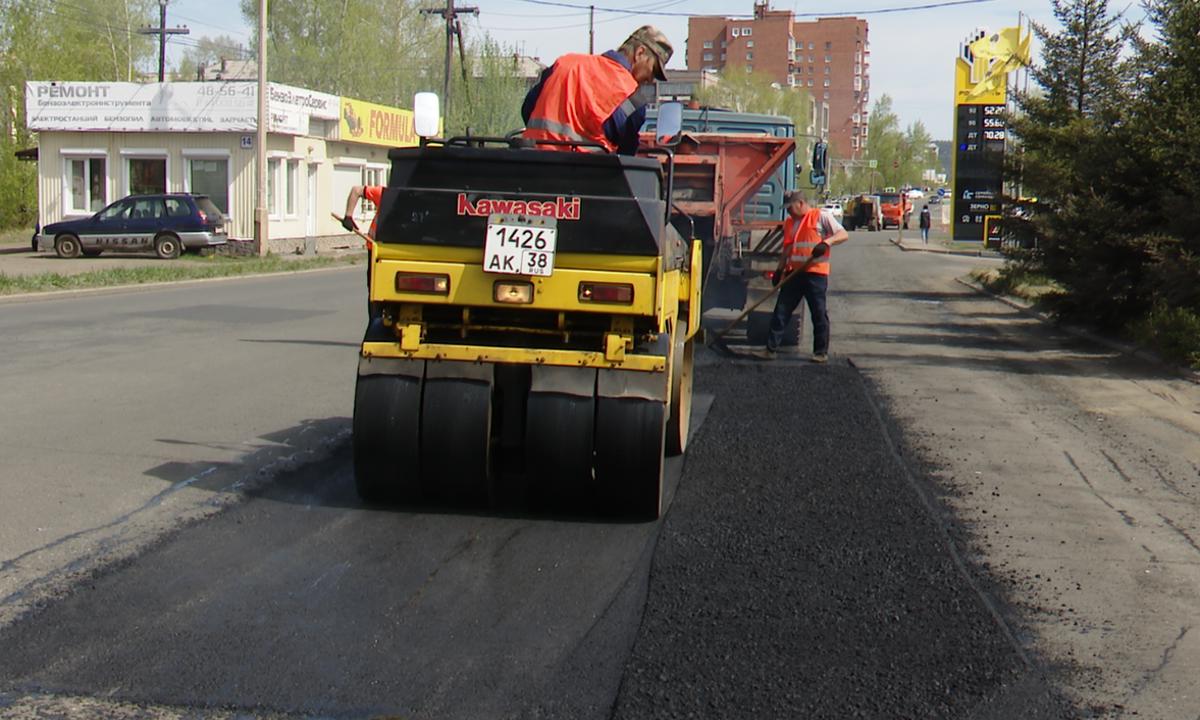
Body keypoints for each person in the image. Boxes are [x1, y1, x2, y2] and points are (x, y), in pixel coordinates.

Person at [522, 25, 672, 155]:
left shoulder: (565, 64)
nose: (651, 79)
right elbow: (625, 155)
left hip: (532, 167)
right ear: (640, 53)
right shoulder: (633, 99)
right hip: (588, 179)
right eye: (653, 70)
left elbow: (528, 108)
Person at [766, 191, 850, 362]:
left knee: (818, 313)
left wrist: (826, 242)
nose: (788, 211)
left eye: (790, 207)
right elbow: (787, 249)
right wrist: (779, 270)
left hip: (815, 273)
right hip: (794, 273)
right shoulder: (790, 222)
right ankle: (770, 349)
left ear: (801, 203)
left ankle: (820, 352)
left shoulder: (821, 216)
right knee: (781, 311)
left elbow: (843, 234)